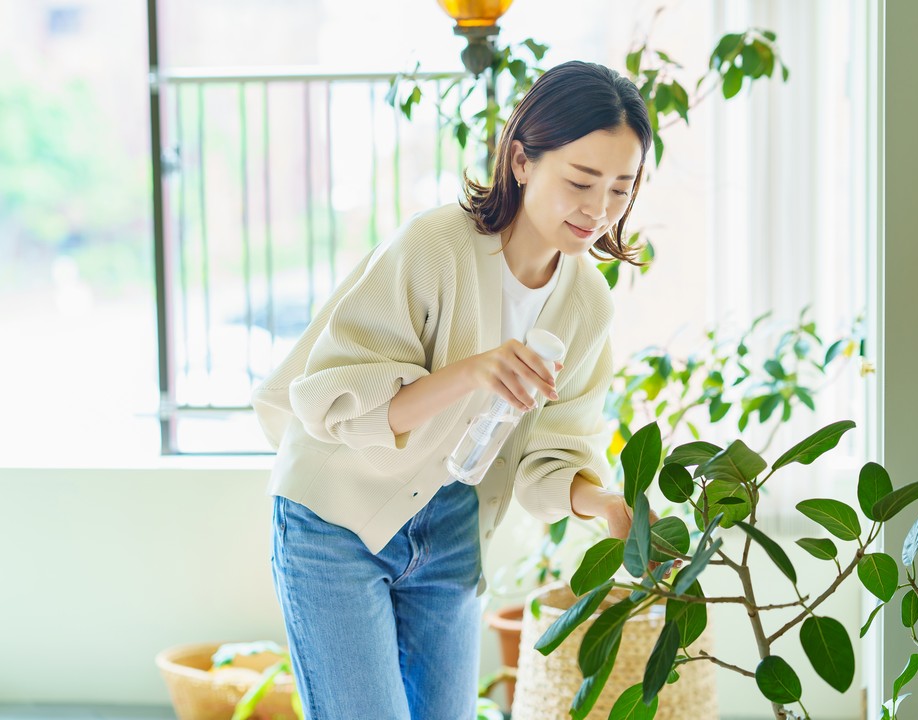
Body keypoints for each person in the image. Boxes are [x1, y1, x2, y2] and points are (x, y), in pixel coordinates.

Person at [252, 60, 654, 720]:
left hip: (453, 529)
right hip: (338, 517)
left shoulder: (587, 306)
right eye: (581, 181)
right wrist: (471, 372)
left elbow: (549, 462)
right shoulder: (435, 245)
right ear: (522, 161)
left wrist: (605, 504)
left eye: (620, 189)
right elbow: (330, 399)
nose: (599, 209)